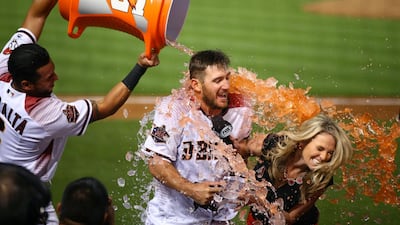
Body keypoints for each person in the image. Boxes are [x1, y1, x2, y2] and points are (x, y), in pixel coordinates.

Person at [0, 0, 159, 223]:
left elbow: (36, 15)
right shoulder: (44, 114)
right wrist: (140, 66)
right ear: (26, 84)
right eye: (48, 78)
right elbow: (105, 107)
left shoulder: (7, 64)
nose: (56, 78)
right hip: (25, 194)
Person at [141, 49, 253, 224]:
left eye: (227, 78)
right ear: (196, 85)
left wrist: (240, 188)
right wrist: (191, 189)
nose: (226, 86)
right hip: (171, 220)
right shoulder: (173, 109)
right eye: (217, 80)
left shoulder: (241, 111)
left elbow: (241, 160)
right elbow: (156, 164)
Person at [238, 114, 353, 225]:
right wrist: (240, 178)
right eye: (320, 148)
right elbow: (241, 149)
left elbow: (290, 218)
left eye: (330, 153)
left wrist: (257, 200)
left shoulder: (321, 176)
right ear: (302, 142)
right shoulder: (274, 144)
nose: (323, 157)